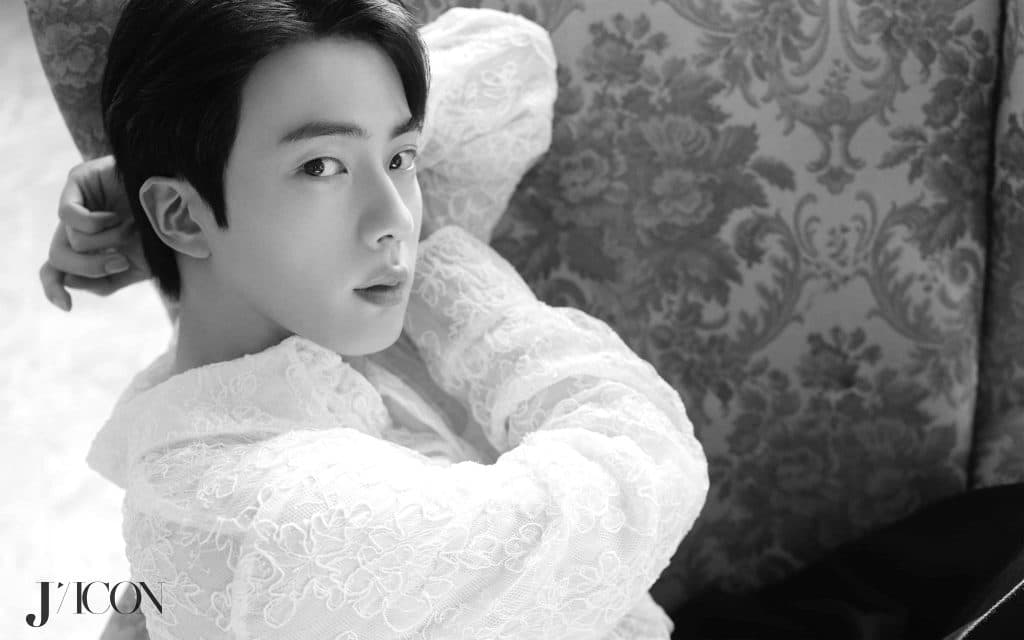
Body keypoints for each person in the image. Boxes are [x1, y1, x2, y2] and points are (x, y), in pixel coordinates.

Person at [33, 1, 709, 638]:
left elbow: (514, 67)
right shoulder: (273, 515)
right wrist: (444, 282)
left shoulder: (303, 338)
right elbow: (639, 474)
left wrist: (183, 172)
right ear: (179, 214)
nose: (395, 221)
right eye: (320, 166)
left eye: (400, 159)